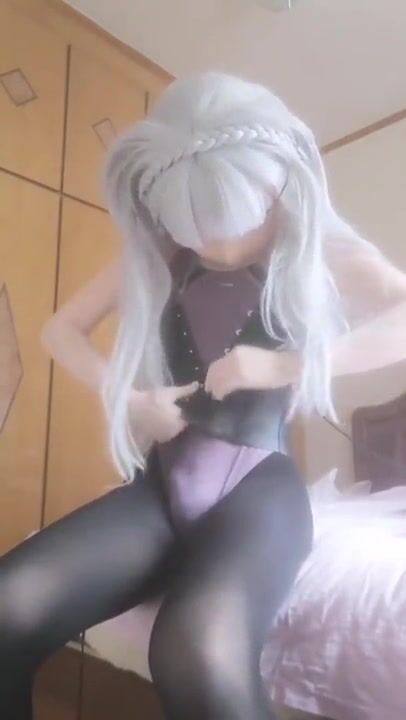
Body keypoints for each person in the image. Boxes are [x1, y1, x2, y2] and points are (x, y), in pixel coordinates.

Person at [1, 73, 406, 720]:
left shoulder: (316, 249)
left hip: (257, 489)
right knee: (7, 607)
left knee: (194, 653)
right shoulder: (159, 254)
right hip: (160, 486)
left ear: (277, 188)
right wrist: (132, 400)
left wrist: (285, 365)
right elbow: (59, 331)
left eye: (238, 227)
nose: (218, 249)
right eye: (196, 233)